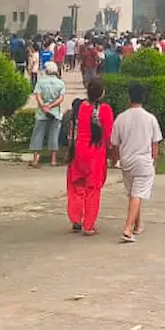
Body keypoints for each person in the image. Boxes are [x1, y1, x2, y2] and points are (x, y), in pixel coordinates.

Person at [112, 82, 162, 243]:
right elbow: (155, 143)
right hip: (143, 160)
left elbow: (114, 143)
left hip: (126, 160)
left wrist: (116, 159)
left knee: (134, 193)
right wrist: (155, 161)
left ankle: (138, 224)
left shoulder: (121, 118)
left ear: (129, 98)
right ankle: (128, 228)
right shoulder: (150, 118)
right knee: (137, 193)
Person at [67, 78, 115, 236]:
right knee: (93, 189)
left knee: (75, 186)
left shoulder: (79, 107)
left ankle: (76, 219)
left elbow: (71, 127)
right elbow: (108, 136)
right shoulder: (105, 110)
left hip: (78, 150)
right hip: (95, 153)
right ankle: (88, 225)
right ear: (102, 93)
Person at [30, 61, 66, 168]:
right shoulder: (60, 83)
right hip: (55, 113)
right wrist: (51, 106)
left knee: (38, 135)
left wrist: (44, 107)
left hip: (42, 113)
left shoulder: (40, 82)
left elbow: (38, 96)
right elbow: (61, 98)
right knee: (54, 136)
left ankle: (36, 160)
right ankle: (53, 160)